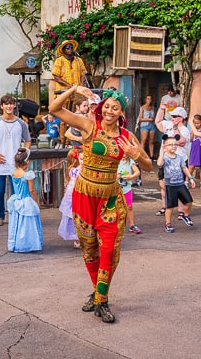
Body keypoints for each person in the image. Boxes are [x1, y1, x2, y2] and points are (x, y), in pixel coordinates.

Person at [49, 84, 152, 323]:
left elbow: (148, 165)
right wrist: (74, 88)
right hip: (84, 197)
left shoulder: (127, 137)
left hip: (111, 200)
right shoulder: (89, 126)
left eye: (115, 108)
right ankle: (98, 293)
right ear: (101, 109)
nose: (110, 111)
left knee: (108, 251)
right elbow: (55, 108)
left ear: (121, 113)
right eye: (107, 106)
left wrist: (135, 154)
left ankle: (101, 300)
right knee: (89, 251)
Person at [0, 95, 32, 226]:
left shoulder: (21, 123)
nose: (9, 106)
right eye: (6, 104)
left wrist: (25, 155)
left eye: (11, 104)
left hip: (15, 165)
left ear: (14, 106)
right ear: (2, 106)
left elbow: (28, 141)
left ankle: (16, 215)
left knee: (17, 192)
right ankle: (0, 216)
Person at [6, 148, 43, 252]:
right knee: (28, 224)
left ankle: (16, 243)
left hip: (17, 199)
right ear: (27, 162)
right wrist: (36, 201)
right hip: (26, 200)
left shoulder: (13, 173)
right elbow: (31, 190)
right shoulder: (28, 175)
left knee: (17, 223)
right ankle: (28, 244)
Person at [159, 135, 195, 232]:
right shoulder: (165, 158)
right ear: (165, 146)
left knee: (189, 201)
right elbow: (159, 163)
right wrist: (162, 153)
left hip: (180, 184)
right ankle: (168, 224)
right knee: (170, 207)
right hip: (170, 185)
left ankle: (185, 215)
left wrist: (190, 178)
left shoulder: (179, 157)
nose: (174, 146)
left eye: (175, 144)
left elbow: (184, 168)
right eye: (171, 144)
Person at [58, 148, 81, 248]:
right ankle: (77, 238)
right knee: (76, 216)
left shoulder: (71, 169)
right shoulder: (75, 170)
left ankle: (78, 238)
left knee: (75, 216)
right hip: (74, 195)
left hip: (72, 195)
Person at [117, 154, 142, 234]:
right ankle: (115, 225)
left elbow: (137, 172)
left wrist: (131, 177)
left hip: (126, 188)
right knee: (115, 208)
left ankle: (132, 225)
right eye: (122, 152)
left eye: (125, 153)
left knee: (129, 206)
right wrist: (117, 176)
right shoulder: (115, 161)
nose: (123, 155)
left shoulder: (130, 161)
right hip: (115, 189)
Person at [188, 114, 201, 190]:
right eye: (195, 123)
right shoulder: (193, 130)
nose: (196, 125)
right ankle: (186, 181)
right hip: (195, 149)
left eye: (198, 123)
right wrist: (192, 133)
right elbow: (191, 140)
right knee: (191, 166)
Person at [136, 94, 156, 159]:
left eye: (150, 99)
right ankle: (142, 156)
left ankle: (152, 156)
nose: (149, 100)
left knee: (151, 142)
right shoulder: (142, 108)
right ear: (145, 100)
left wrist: (153, 119)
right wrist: (148, 119)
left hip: (152, 125)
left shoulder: (153, 108)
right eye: (148, 98)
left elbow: (154, 117)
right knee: (143, 141)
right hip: (144, 126)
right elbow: (140, 119)